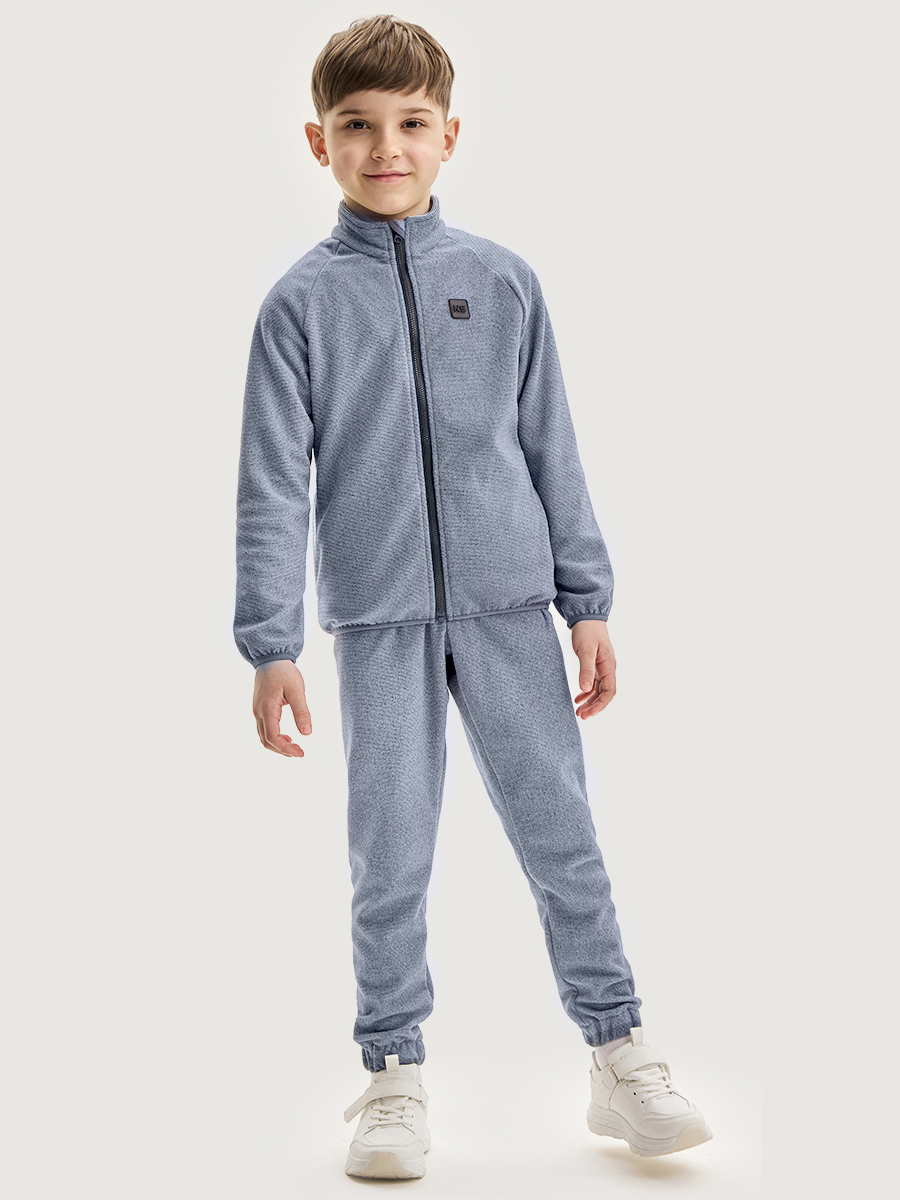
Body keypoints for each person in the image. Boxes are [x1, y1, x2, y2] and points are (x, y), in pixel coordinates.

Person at [233, 12, 712, 1181]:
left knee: (563, 839)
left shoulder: (503, 283)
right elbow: (271, 485)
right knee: (389, 855)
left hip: (510, 609)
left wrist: (586, 602)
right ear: (318, 142)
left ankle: (620, 1054)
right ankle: (392, 1073)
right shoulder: (298, 306)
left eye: (411, 123)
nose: (385, 147)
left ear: (450, 135)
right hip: (378, 619)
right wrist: (270, 640)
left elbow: (553, 448)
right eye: (357, 125)